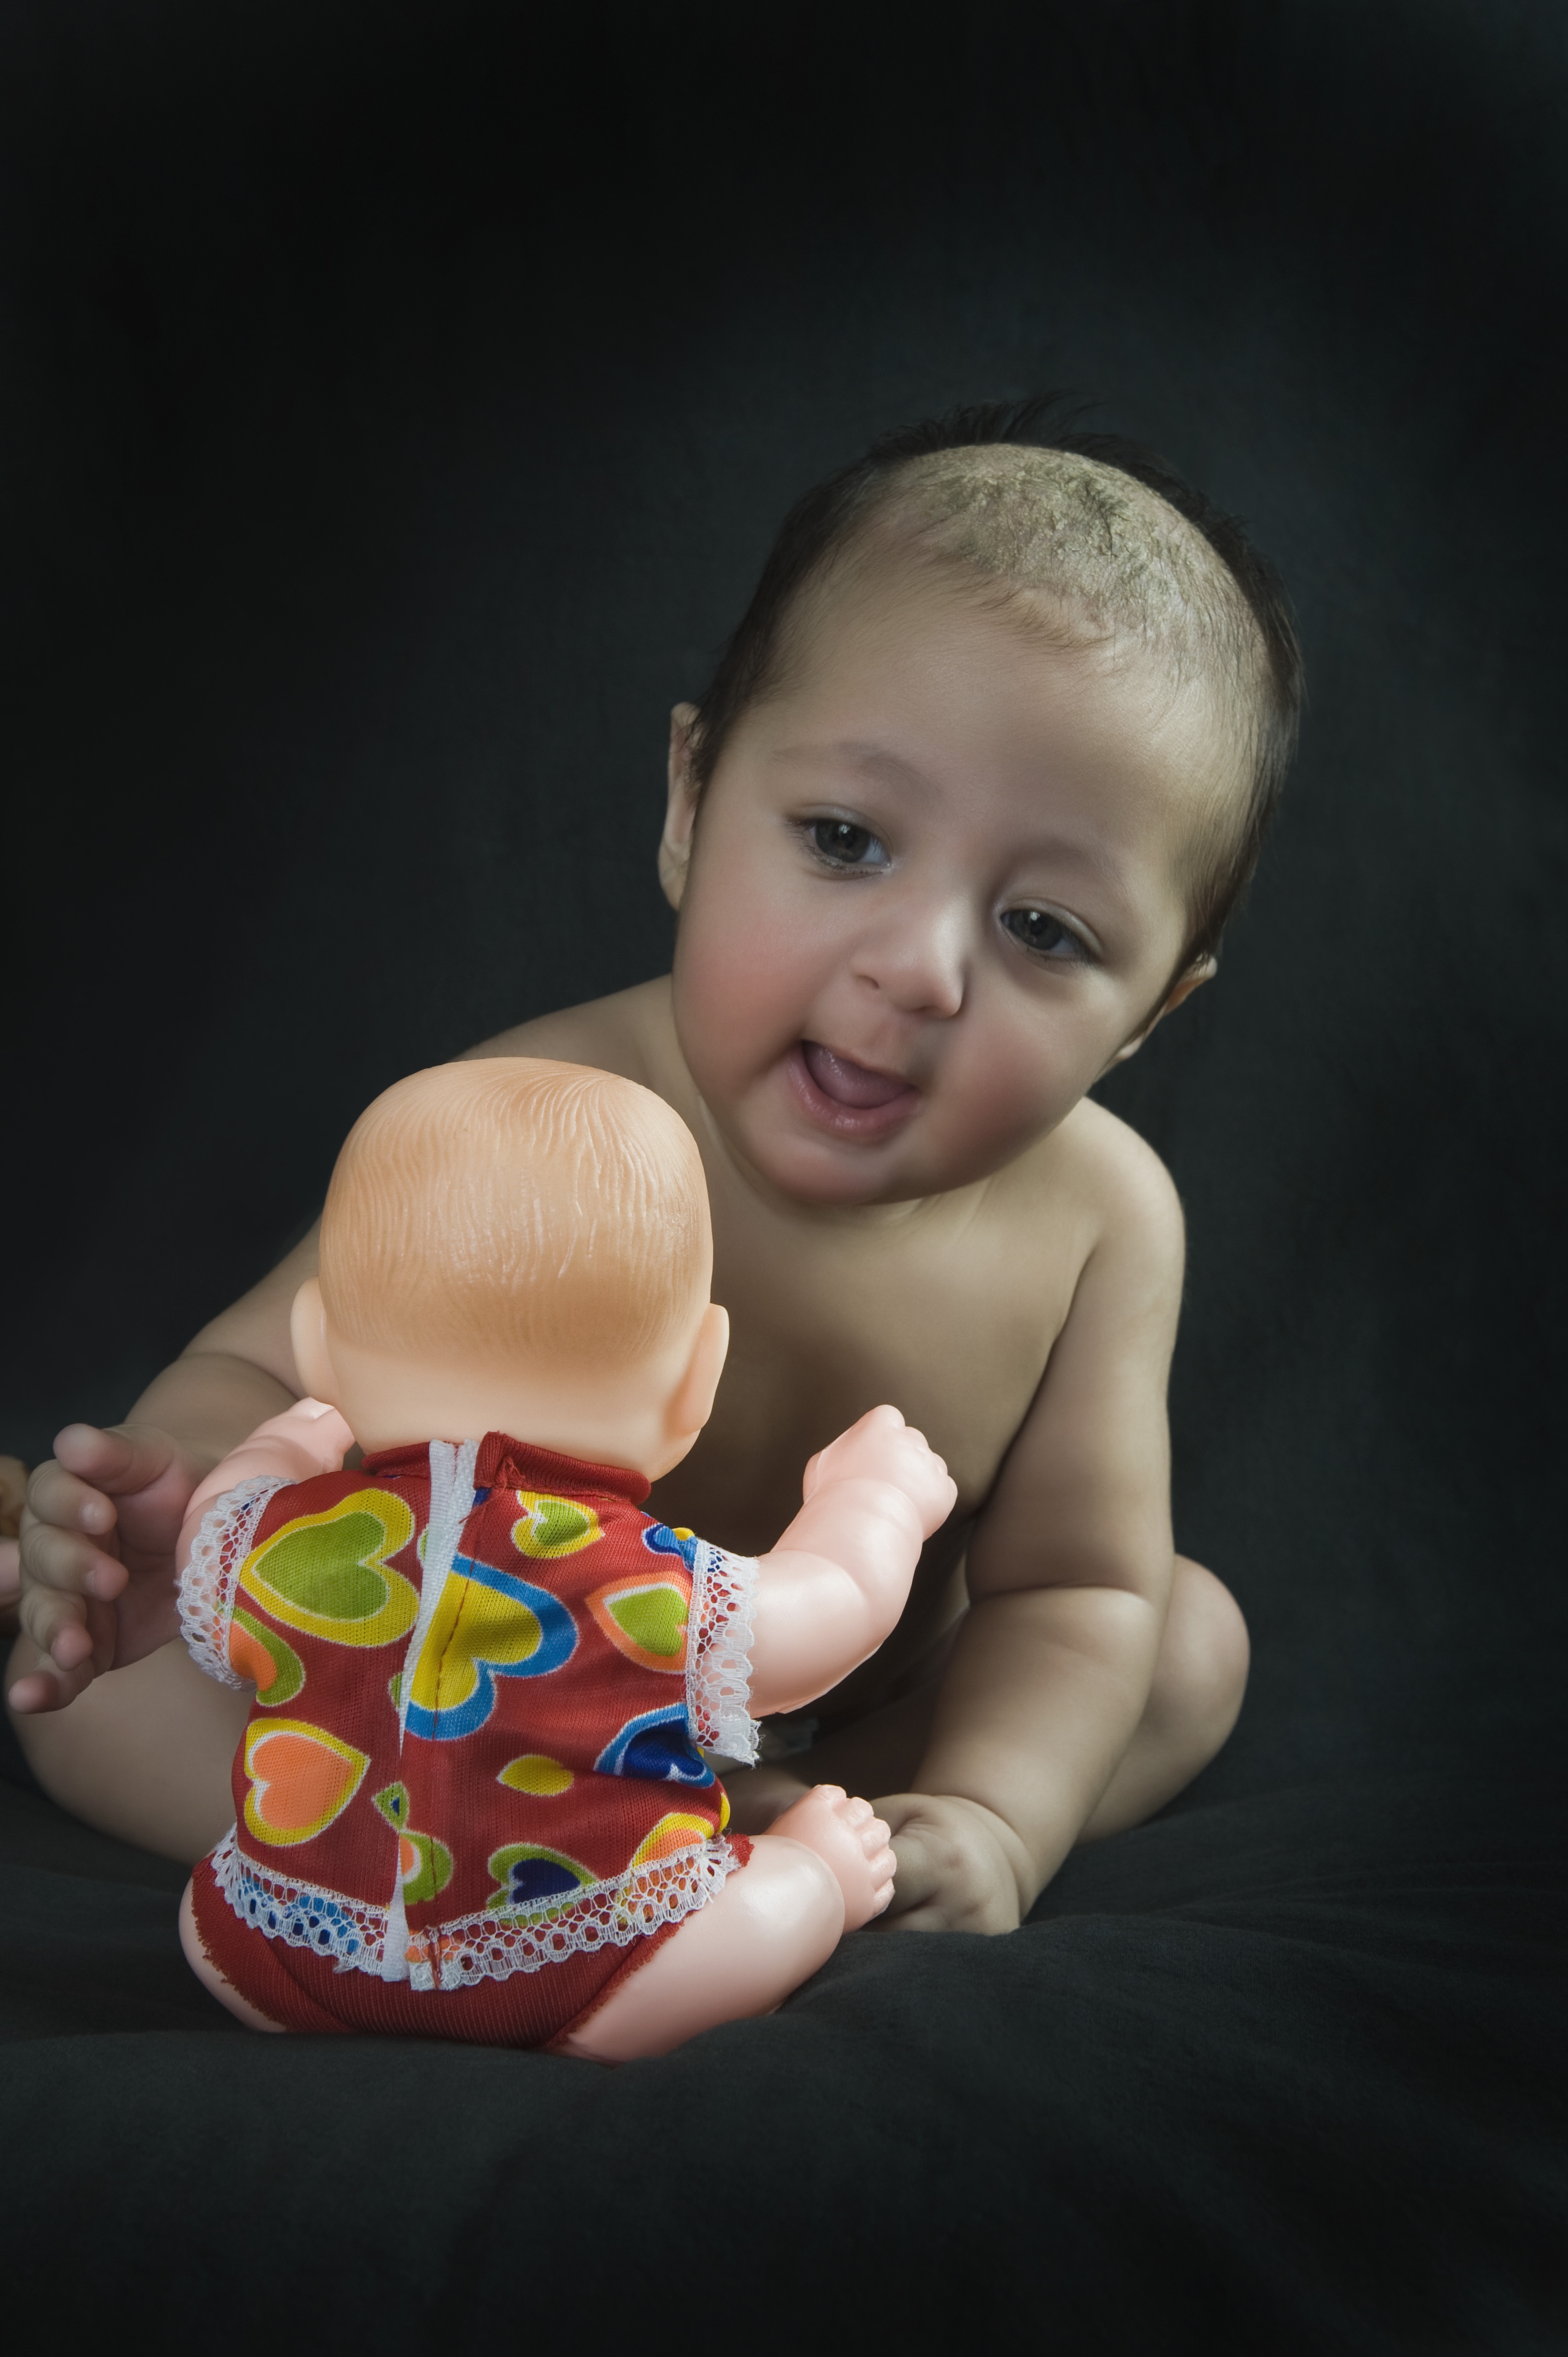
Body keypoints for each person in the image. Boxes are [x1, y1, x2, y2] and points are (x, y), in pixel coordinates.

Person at [8, 397, 1302, 1937]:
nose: (918, 970)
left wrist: (989, 1819)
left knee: (1178, 1643)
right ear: (690, 805)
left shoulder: (1101, 1220)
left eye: (1043, 932)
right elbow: (255, 1369)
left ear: (1149, 1013)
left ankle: (802, 1838)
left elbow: (1067, 1593)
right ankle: (540, 1863)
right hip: (453, 1709)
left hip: (837, 1718)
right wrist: (179, 1500)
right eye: (842, 838)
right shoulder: (529, 1110)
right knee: (87, 1690)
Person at [170, 1057, 952, 2058]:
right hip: (578, 1963)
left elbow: (214, 1512)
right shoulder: (644, 1586)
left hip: (287, 1951)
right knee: (789, 1891)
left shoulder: (276, 1542)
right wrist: (874, 1498)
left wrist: (298, 1437)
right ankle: (801, 1893)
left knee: (206, 1911)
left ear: (317, 1345)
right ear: (696, 1384)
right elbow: (832, 1603)